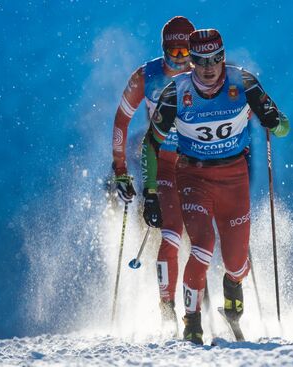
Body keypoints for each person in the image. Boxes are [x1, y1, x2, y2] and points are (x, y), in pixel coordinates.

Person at [142, 29, 290, 344]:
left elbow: (283, 126)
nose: (208, 67)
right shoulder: (176, 92)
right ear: (191, 62)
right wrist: (150, 191)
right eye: (200, 60)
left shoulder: (243, 82)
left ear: (223, 57)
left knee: (237, 264)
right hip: (193, 177)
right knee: (202, 247)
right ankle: (192, 321)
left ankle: (233, 293)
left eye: (215, 59)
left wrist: (274, 121)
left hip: (233, 178)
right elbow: (151, 143)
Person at [111, 16, 195, 333]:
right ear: (163, 52)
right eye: (173, 54)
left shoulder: (207, 70)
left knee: (199, 231)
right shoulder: (146, 76)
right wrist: (120, 171)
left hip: (198, 162)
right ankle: (167, 308)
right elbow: (121, 121)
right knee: (167, 230)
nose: (181, 61)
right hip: (158, 160)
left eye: (186, 52)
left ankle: (199, 301)